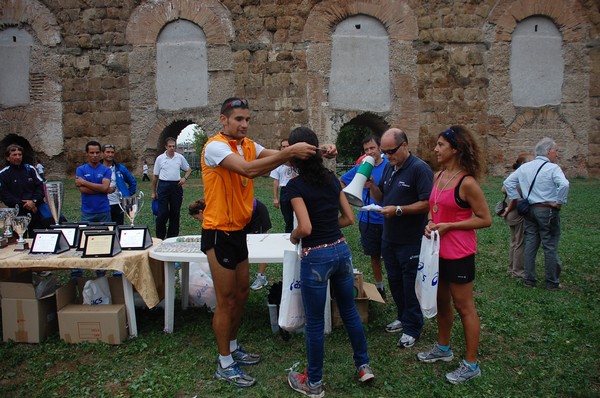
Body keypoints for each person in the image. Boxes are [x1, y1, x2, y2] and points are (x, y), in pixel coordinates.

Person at [200, 97, 326, 388]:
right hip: (218, 233)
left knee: (242, 293)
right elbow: (248, 170)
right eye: (238, 119)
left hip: (239, 232)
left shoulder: (248, 145)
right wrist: (288, 152)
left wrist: (319, 151)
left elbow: (285, 158)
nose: (244, 124)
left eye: (247, 119)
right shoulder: (215, 147)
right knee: (226, 299)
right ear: (223, 120)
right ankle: (224, 362)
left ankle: (232, 346)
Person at [285, 126, 374, 397]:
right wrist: (328, 226)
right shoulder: (332, 178)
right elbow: (349, 218)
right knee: (348, 311)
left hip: (316, 258)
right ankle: (363, 366)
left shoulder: (294, 187)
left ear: (294, 154)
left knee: (314, 323)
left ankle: (313, 383)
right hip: (341, 251)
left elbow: (306, 228)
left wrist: (293, 236)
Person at [417, 125, 491, 384]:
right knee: (442, 302)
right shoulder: (438, 177)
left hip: (459, 253)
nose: (435, 149)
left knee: (464, 307)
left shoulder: (467, 182)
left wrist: (451, 226)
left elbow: (485, 219)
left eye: (440, 145)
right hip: (437, 252)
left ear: (455, 149)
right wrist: (429, 221)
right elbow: (433, 208)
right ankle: (443, 348)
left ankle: (471, 364)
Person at [368, 128, 433, 347]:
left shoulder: (419, 169)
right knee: (394, 281)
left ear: (405, 145)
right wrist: (372, 186)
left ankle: (413, 327)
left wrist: (398, 210)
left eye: (391, 151)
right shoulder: (389, 167)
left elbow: (426, 202)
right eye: (384, 152)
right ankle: (403, 316)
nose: (387, 156)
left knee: (409, 283)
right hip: (390, 237)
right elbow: (383, 197)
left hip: (411, 238)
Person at [503, 137, 569, 290]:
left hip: (529, 210)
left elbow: (508, 183)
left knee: (531, 244)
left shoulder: (526, 167)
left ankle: (529, 279)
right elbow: (564, 184)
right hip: (547, 210)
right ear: (548, 151)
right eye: (555, 150)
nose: (557, 154)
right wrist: (559, 201)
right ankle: (552, 282)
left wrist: (518, 199)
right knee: (550, 245)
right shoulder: (553, 168)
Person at [340, 135, 389, 300]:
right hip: (368, 220)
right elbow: (342, 182)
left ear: (380, 148)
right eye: (366, 149)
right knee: (374, 256)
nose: (370, 152)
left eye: (372, 148)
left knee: (391, 257)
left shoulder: (389, 166)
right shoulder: (363, 166)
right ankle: (380, 286)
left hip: (387, 219)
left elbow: (382, 198)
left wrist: (372, 186)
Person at [250, 139, 295, 290]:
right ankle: (291, 241)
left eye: (288, 146)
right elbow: (275, 182)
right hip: (285, 191)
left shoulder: (297, 161)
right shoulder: (279, 163)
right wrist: (275, 198)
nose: (285, 148)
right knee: (288, 220)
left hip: (298, 189)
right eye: (283, 147)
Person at [74, 140, 113, 278]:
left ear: (101, 154)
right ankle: (78, 272)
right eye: (92, 153)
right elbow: (84, 191)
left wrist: (84, 182)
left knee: (104, 242)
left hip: (104, 211)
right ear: (87, 154)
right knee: (84, 243)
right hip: (88, 212)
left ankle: (101, 271)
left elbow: (103, 188)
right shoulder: (81, 169)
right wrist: (102, 189)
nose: (95, 155)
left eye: (97, 152)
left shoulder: (106, 170)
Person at [500, 153, 534, 279]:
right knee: (520, 243)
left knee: (514, 242)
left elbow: (503, 189)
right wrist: (509, 208)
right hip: (516, 212)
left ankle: (511, 268)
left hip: (511, 214)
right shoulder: (522, 176)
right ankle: (518, 272)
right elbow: (514, 198)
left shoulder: (514, 175)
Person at [0, 144, 46, 235]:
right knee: (19, 242)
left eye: (19, 154)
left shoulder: (30, 169)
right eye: (14, 155)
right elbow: (5, 196)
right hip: (17, 214)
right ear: (8, 158)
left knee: (37, 239)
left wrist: (34, 201)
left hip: (35, 211)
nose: (18, 157)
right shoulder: (3, 174)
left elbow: (41, 187)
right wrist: (25, 204)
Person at [151, 137, 191, 240]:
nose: (172, 148)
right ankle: (160, 236)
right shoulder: (160, 158)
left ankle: (172, 237)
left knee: (175, 212)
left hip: (176, 186)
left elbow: (188, 169)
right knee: (162, 213)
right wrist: (153, 192)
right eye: (170, 146)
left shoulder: (179, 157)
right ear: (166, 147)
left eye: (173, 146)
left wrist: (184, 178)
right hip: (163, 186)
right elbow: (155, 176)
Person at [102, 144, 137, 225]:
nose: (110, 154)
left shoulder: (120, 168)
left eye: (112, 152)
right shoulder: (98, 168)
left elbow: (132, 182)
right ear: (102, 153)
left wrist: (126, 194)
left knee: (118, 227)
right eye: (107, 152)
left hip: (117, 203)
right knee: (104, 227)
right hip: (102, 203)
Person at [246, 198, 272, 290]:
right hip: (246, 215)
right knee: (244, 244)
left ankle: (261, 277)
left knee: (261, 244)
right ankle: (244, 276)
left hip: (257, 213)